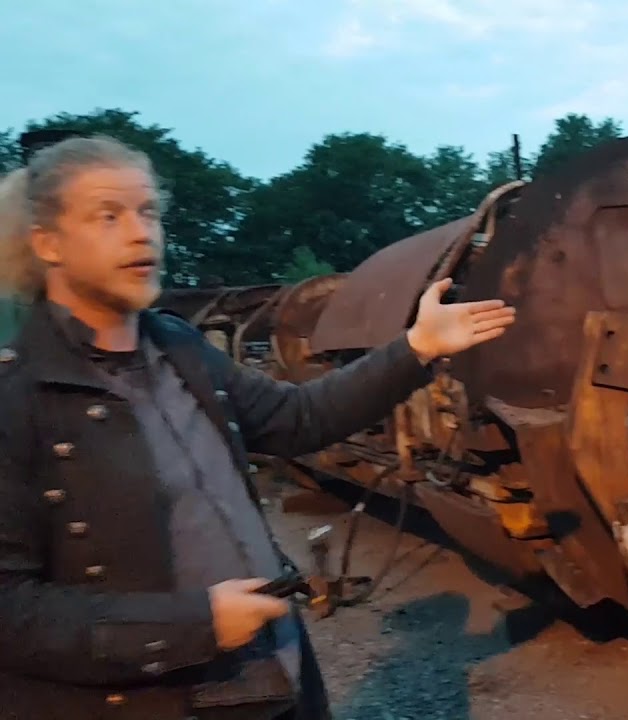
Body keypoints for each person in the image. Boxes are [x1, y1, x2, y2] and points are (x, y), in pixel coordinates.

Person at [0, 135, 517, 719]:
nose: (141, 233)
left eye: (148, 211)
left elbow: (297, 419)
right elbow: (10, 609)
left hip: (274, 680)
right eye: (108, 216)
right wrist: (193, 626)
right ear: (47, 243)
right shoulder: (16, 398)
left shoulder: (176, 346)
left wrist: (417, 347)